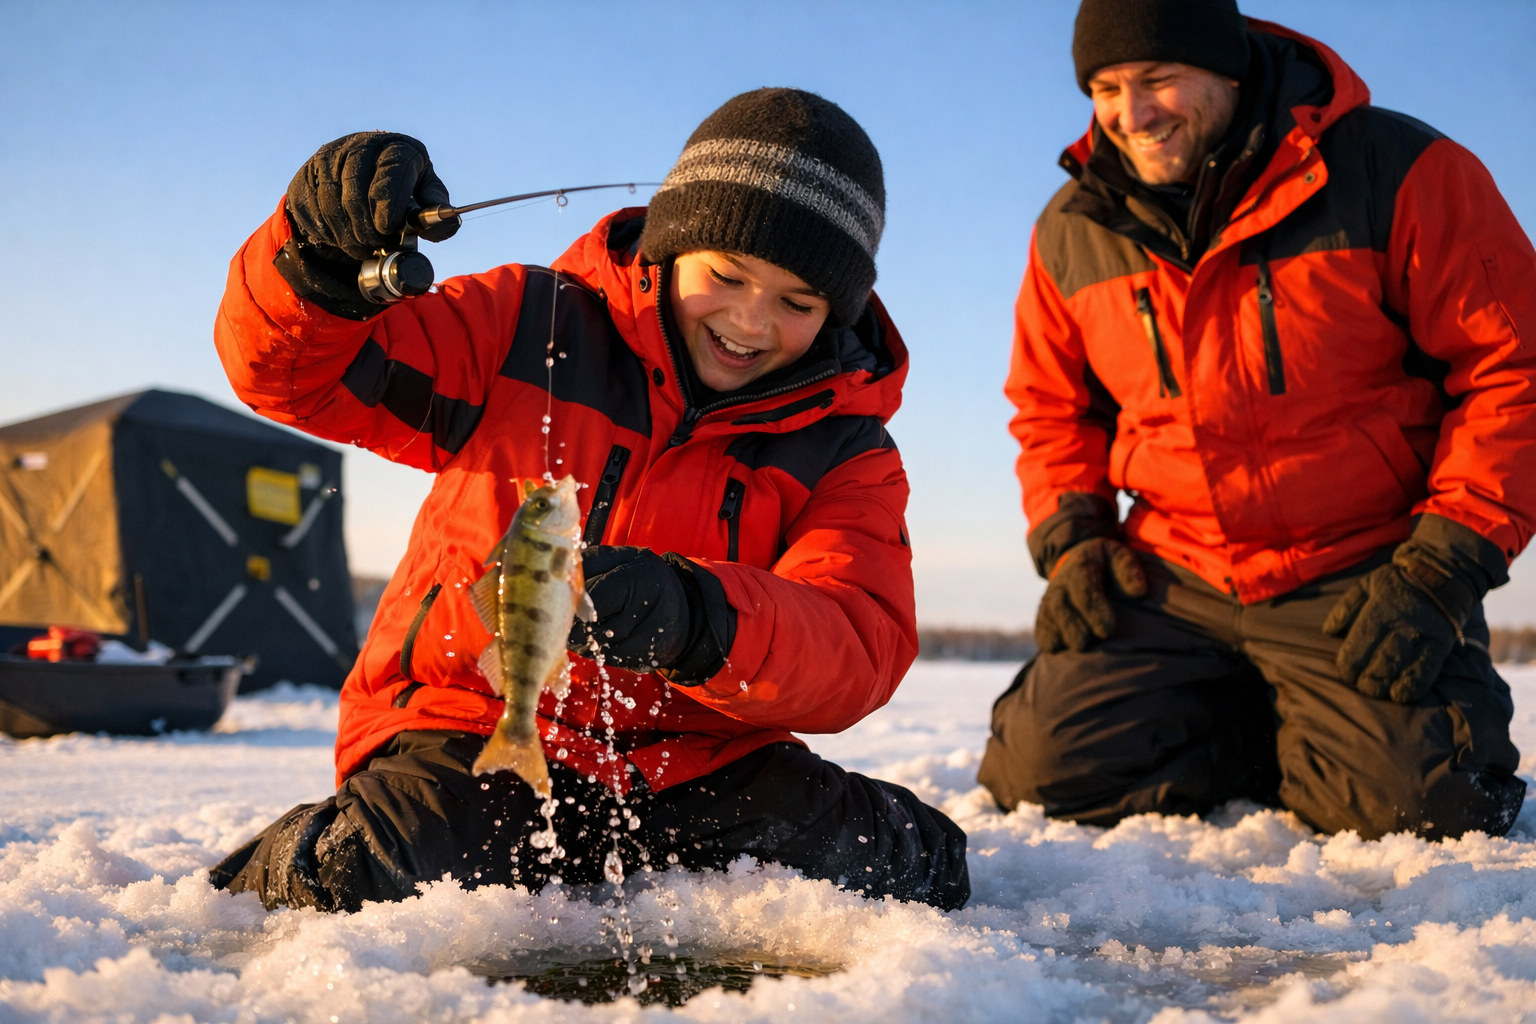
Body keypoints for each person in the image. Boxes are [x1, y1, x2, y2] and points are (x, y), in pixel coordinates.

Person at [209, 88, 969, 912]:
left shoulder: (846, 447)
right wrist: (314, 261)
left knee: (906, 873)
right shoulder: (528, 326)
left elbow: (857, 645)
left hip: (701, 760)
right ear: (674, 246)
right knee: (382, 870)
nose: (751, 322)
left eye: (798, 303)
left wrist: (698, 619)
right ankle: (287, 865)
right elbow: (295, 379)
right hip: (472, 725)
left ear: (835, 313)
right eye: (727, 275)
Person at [979, 0, 1536, 840]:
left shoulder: (1397, 168)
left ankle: (1320, 720)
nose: (1132, 115)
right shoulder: (1073, 227)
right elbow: (1051, 408)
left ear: (1228, 69)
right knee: (1039, 780)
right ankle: (1259, 715)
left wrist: (1442, 567)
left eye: (1160, 79)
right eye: (1106, 87)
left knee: (1419, 811)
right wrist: (1075, 541)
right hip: (1177, 576)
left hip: (1361, 570)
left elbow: (1512, 369)